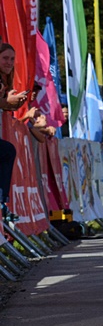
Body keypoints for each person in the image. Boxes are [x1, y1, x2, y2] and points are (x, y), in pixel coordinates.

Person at [0, 43, 27, 221]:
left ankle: (2, 202)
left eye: (12, 59)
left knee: (7, 151)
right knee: (7, 151)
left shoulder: (5, 82)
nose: (9, 62)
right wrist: (7, 102)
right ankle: (2, 202)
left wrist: (12, 103)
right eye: (5, 58)